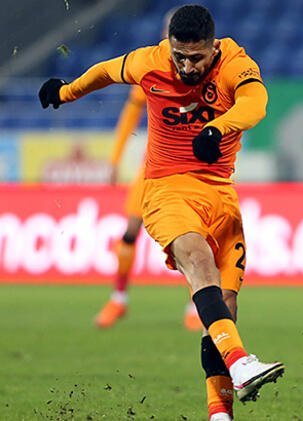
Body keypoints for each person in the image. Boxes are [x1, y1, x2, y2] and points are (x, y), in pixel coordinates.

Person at [40, 5, 284, 420]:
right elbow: (105, 71)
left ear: (213, 48)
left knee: (224, 306)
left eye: (196, 58)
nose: (187, 66)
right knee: (198, 259)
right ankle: (240, 361)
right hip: (165, 188)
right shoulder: (150, 62)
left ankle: (220, 414)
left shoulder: (235, 63)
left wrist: (218, 127)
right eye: (179, 56)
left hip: (220, 193)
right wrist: (66, 92)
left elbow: (255, 104)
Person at [94, 8, 202, 331]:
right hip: (154, 165)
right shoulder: (152, 68)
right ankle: (118, 299)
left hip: (190, 168)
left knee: (192, 236)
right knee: (130, 231)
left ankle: (195, 305)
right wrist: (114, 159)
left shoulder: (205, 71)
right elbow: (131, 113)